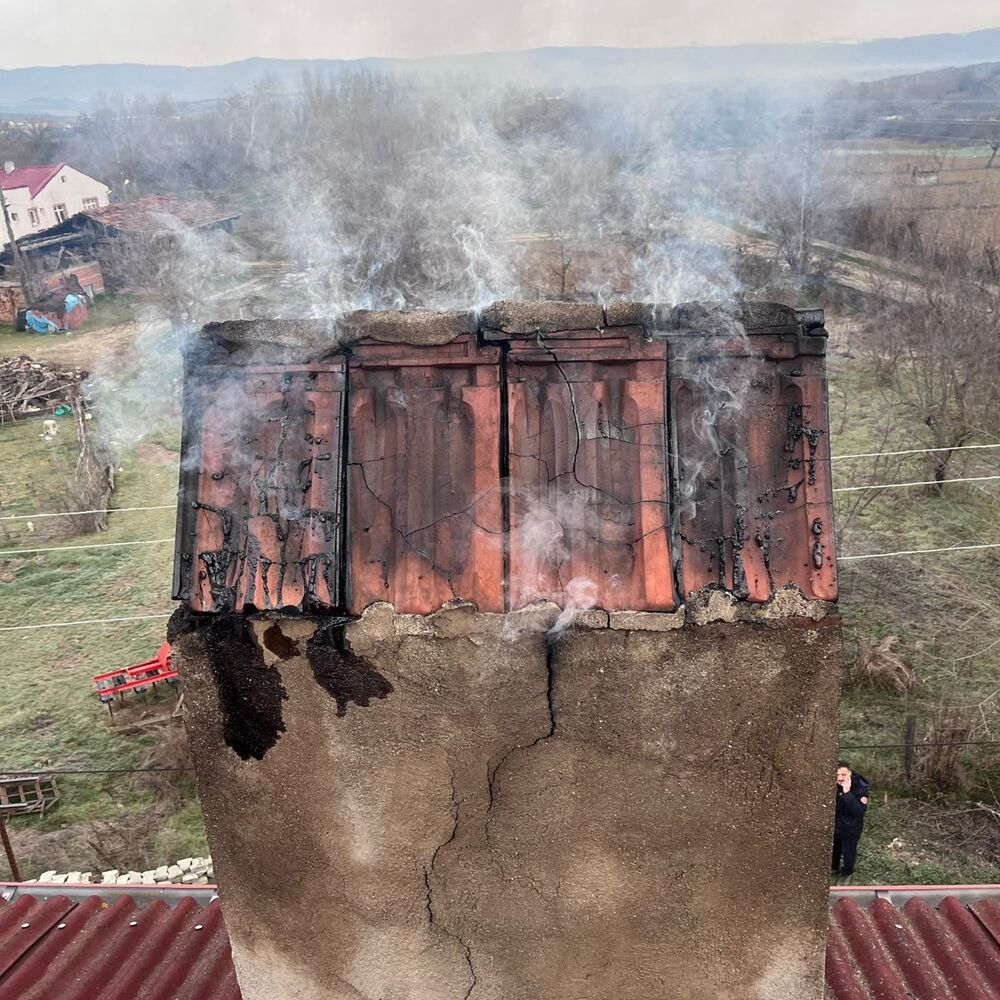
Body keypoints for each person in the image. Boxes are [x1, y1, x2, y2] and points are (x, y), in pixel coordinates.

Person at [832, 760, 869, 885]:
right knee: (834, 848)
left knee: (848, 852)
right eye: (837, 775)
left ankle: (847, 873)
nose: (840, 778)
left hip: (851, 826)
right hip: (835, 824)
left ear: (850, 773)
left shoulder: (860, 787)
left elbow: (858, 811)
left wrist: (847, 793)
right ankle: (834, 868)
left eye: (843, 775)